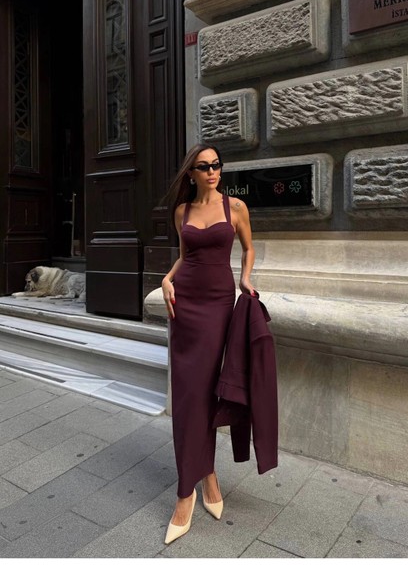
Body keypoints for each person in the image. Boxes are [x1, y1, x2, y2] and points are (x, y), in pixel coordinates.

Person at [161, 143, 256, 545]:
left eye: (217, 165)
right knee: (187, 396)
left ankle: (208, 474)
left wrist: (245, 280)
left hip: (218, 306)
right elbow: (184, 257)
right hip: (184, 306)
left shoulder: (235, 208)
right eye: (204, 167)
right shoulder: (182, 212)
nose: (213, 171)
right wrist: (167, 278)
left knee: (207, 393)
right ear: (192, 174)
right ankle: (188, 489)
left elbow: (248, 248)